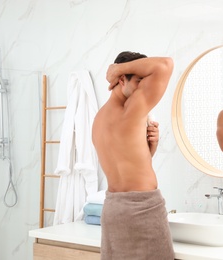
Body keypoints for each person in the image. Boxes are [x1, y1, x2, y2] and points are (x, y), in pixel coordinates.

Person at [92, 51, 174, 259]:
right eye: (139, 80)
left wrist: (150, 147)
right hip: (142, 210)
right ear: (121, 79)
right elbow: (166, 64)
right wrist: (116, 68)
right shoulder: (132, 109)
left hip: (113, 210)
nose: (143, 86)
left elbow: (127, 163)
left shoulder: (99, 119)